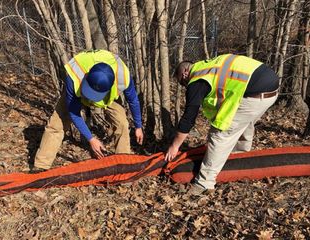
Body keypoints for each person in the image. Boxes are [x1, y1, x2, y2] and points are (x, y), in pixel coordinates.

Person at [165, 54, 279, 195]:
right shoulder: (208, 66)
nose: (184, 85)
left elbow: (189, 118)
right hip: (270, 89)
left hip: (256, 94)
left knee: (220, 134)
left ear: (185, 73)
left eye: (182, 81)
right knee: (243, 121)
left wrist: (175, 146)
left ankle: (204, 183)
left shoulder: (197, 80)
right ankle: (240, 158)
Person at [31, 49, 143, 173]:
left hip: (106, 100)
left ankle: (122, 166)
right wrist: (91, 139)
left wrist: (138, 126)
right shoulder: (75, 74)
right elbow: (74, 112)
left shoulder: (123, 76)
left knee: (122, 123)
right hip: (78, 93)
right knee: (56, 123)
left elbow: (133, 100)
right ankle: (41, 165)